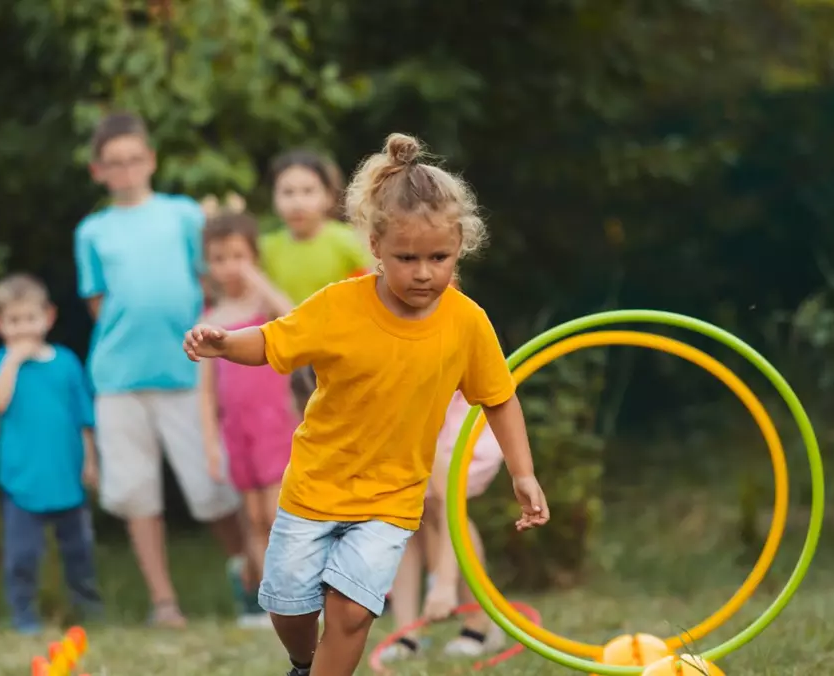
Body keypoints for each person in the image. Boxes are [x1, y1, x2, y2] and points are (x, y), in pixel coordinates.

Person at [182, 132, 551, 676]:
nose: (424, 272)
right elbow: (274, 340)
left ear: (460, 248)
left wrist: (523, 472)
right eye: (407, 258)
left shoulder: (467, 321)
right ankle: (303, 662)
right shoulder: (340, 305)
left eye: (439, 257)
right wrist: (225, 344)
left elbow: (498, 398)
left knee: (352, 613)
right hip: (315, 485)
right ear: (375, 246)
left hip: (391, 498)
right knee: (288, 606)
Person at [74, 111, 245, 629]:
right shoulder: (93, 231)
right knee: (136, 493)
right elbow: (98, 303)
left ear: (150, 159)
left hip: (188, 373)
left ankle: (254, 583)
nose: (126, 170)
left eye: (134, 160)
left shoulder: (183, 215)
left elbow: (210, 281)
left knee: (211, 488)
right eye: (114, 164)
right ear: (98, 170)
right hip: (119, 380)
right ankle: (164, 603)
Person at [0, 273, 104, 635]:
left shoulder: (65, 362)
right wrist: (13, 362)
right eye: (13, 321)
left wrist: (91, 461)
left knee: (79, 550)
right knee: (22, 556)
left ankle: (88, 608)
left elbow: (84, 418)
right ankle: (24, 616)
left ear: (48, 317)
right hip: (22, 480)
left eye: (29, 319)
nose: (22, 329)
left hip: (67, 475)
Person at [198, 210, 299, 629]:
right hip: (236, 431)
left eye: (238, 256)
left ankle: (297, 596)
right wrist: (210, 445)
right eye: (219, 258)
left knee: (279, 515)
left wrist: (260, 281)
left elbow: (295, 320)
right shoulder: (211, 317)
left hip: (274, 423)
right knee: (253, 519)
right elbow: (205, 393)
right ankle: (264, 600)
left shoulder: (265, 306)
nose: (229, 266)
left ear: (253, 256)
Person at [379, 390, 508, 662]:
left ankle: (479, 622)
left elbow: (450, 500)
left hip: (448, 410)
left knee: (441, 504)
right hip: (410, 407)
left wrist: (444, 584)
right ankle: (407, 634)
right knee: (404, 514)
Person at [259, 150, 374, 414]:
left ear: (329, 196)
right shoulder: (267, 248)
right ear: (275, 198)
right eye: (287, 192)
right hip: (291, 361)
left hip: (341, 356)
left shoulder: (347, 241)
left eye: (308, 191)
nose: (297, 202)